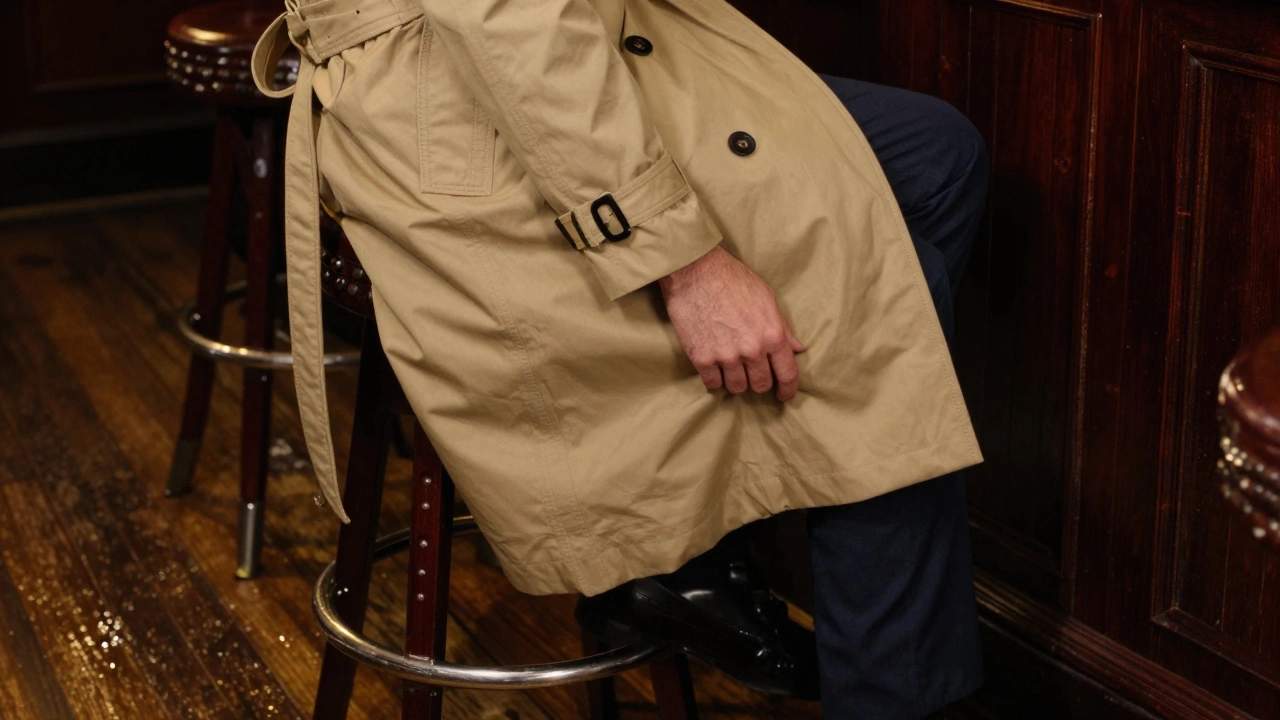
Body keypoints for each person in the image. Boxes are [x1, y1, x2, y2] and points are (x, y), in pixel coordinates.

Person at [252, 0, 987, 716]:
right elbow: (503, 17)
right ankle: (884, 689)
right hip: (471, 93)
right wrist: (688, 265)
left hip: (583, 37)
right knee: (873, 291)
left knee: (938, 157)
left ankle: (691, 560)